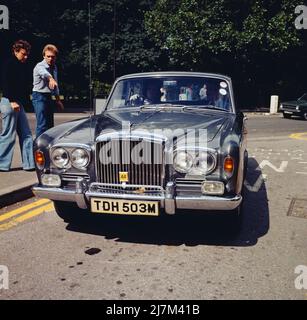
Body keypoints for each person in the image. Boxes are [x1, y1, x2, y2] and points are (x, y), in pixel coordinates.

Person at [0, 40, 35, 172]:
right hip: (9, 102)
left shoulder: (21, 65)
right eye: (23, 54)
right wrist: (12, 100)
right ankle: (2, 164)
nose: (25, 57)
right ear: (15, 51)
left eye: (27, 54)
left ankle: (29, 164)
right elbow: (5, 84)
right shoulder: (9, 64)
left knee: (26, 134)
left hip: (18, 103)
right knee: (8, 135)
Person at [32, 44, 64, 137]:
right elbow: (44, 73)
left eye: (52, 57)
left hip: (48, 96)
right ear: (44, 56)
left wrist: (58, 99)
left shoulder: (54, 67)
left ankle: (48, 147)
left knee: (50, 126)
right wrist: (50, 78)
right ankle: (37, 149)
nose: (50, 59)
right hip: (39, 96)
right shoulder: (39, 66)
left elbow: (55, 84)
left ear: (56, 57)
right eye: (48, 56)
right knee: (42, 125)